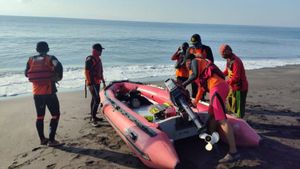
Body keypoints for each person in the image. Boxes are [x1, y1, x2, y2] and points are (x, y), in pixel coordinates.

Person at [182, 53, 240, 163]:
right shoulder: (200, 67)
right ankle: (212, 141)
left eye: (187, 62)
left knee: (222, 120)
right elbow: (201, 88)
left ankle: (233, 152)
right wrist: (195, 102)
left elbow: (194, 76)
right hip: (219, 87)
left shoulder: (196, 61)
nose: (187, 65)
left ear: (189, 60)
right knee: (212, 116)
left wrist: (183, 84)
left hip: (217, 87)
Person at [25, 41, 64, 147]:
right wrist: (58, 77)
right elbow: (59, 65)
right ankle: (51, 140)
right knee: (55, 115)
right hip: (49, 92)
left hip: (37, 93)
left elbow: (26, 73)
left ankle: (42, 140)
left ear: (37, 49)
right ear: (47, 49)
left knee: (40, 117)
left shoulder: (31, 59)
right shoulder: (50, 58)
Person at [219, 44, 248, 118]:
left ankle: (240, 121)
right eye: (221, 54)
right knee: (230, 104)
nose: (222, 55)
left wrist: (225, 83)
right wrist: (219, 75)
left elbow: (236, 77)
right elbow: (227, 71)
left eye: (223, 53)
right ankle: (232, 119)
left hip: (240, 88)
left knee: (239, 107)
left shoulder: (236, 61)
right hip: (232, 87)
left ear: (228, 51)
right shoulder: (229, 59)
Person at [85, 43, 106, 127]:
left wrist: (103, 80)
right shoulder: (90, 59)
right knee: (97, 99)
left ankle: (93, 116)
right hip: (92, 83)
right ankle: (93, 118)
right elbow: (87, 72)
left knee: (94, 99)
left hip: (97, 82)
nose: (101, 52)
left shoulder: (98, 59)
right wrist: (90, 83)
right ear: (95, 51)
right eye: (100, 50)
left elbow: (100, 71)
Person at [187, 34, 214, 99]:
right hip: (193, 75)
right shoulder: (190, 49)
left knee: (201, 93)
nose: (195, 46)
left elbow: (211, 62)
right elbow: (187, 62)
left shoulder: (206, 49)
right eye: (193, 44)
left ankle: (202, 102)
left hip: (203, 76)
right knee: (194, 93)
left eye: (196, 44)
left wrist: (201, 58)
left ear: (200, 41)